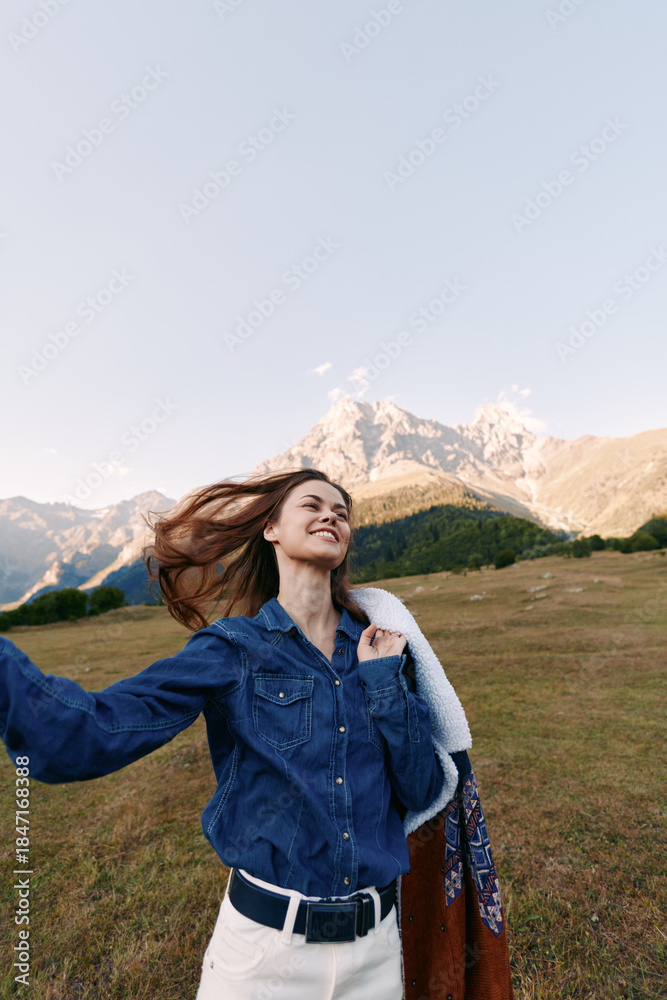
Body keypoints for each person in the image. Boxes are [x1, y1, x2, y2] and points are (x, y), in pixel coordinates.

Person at [0, 467, 450, 999]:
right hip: (262, 956)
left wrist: (382, 682)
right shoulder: (233, 648)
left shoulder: (384, 647)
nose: (332, 515)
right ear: (271, 530)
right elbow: (95, 731)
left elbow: (422, 790)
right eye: (312, 505)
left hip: (374, 956)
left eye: (342, 513)